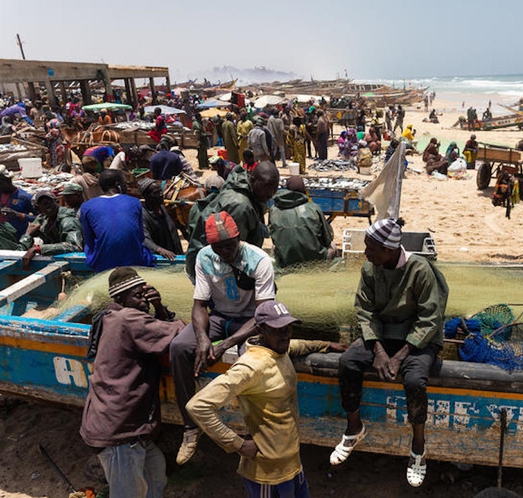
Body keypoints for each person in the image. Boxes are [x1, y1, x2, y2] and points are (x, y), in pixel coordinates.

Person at [330, 218, 449, 488]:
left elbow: (430, 318)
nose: (366, 253)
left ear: (390, 250)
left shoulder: (420, 270)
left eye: (371, 248)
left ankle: (418, 446)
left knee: (415, 380)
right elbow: (365, 310)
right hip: (383, 335)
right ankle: (354, 428)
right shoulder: (371, 269)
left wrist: (400, 355)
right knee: (348, 362)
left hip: (419, 339)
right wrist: (379, 349)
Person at [186, 300, 345, 498]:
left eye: (288, 328)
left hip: (292, 464)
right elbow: (198, 406)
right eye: (279, 330)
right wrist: (238, 445)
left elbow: (298, 346)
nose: (286, 334)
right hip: (267, 474)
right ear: (260, 330)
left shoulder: (278, 349)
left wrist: (326, 345)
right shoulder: (250, 367)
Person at [171, 211, 276, 465]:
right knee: (179, 347)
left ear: (238, 238)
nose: (224, 252)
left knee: (249, 361)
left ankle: (253, 433)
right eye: (218, 247)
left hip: (251, 320)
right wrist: (203, 338)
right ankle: (191, 427)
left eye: (229, 246)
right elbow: (199, 305)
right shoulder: (205, 258)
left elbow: (263, 315)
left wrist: (226, 344)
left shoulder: (259, 260)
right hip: (220, 316)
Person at [80, 267, 183, 498]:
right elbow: (179, 332)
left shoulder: (107, 316)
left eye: (145, 294)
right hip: (120, 431)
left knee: (155, 474)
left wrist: (156, 306)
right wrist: (160, 308)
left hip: (122, 425)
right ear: (120, 298)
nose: (144, 300)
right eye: (138, 296)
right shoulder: (129, 318)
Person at [185, 162, 279, 281]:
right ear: (252, 179)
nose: (270, 193)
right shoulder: (240, 206)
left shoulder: (248, 193)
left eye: (274, 188)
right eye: (267, 186)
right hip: (209, 270)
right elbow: (232, 252)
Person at [80, 169, 155, 273]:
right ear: (118, 185)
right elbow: (140, 236)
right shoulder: (134, 202)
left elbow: (89, 240)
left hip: (103, 263)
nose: (126, 186)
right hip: (134, 260)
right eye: (124, 183)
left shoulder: (86, 206)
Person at [268, 176, 337, 268]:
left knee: (273, 248)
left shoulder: (274, 210)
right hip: (316, 260)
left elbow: (274, 238)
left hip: (286, 262)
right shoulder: (314, 208)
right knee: (333, 247)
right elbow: (327, 239)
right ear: (304, 191)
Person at [20, 190, 83, 268]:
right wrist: (28, 235)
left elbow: (75, 246)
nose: (48, 206)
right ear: (38, 209)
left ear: (57, 202)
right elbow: (21, 247)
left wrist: (39, 249)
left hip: (76, 262)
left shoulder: (67, 220)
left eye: (50, 202)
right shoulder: (44, 219)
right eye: (44, 204)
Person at [138, 178, 183, 261]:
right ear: (146, 196)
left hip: (174, 255)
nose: (161, 195)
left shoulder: (162, 208)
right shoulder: (143, 215)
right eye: (156, 193)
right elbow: (144, 238)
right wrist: (159, 250)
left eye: (160, 191)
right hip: (161, 260)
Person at [0, 165, 35, 240]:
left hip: (18, 239)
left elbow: (42, 218)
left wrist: (19, 215)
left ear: (8, 181)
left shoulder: (24, 197)